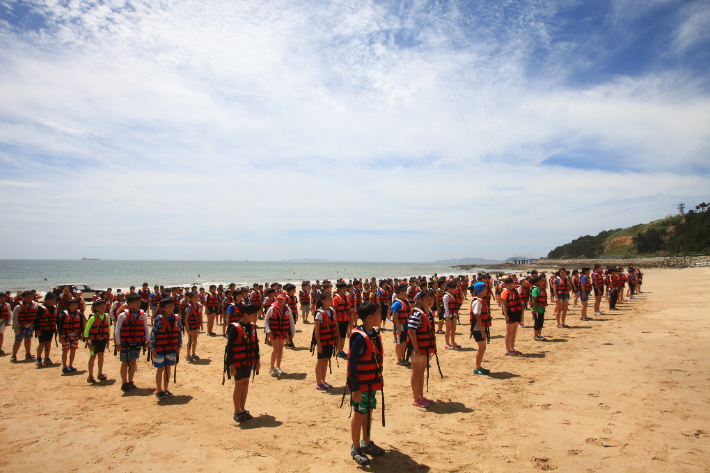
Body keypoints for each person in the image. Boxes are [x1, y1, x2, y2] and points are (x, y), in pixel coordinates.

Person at [346, 302, 386, 465]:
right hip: (360, 386)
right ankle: (356, 448)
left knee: (368, 412)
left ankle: (366, 442)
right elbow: (352, 365)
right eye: (379, 313)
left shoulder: (374, 333)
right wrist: (355, 389)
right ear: (370, 317)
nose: (381, 316)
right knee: (359, 413)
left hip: (372, 384)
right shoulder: (359, 338)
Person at [225, 304, 260, 422]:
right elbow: (229, 348)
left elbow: (256, 346)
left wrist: (258, 361)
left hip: (248, 361)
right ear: (245, 315)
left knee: (246, 383)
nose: (255, 317)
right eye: (253, 315)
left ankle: (242, 408)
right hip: (237, 362)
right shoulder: (234, 328)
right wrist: (231, 366)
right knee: (239, 385)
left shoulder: (252, 327)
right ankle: (236, 411)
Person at [407, 290, 438, 406]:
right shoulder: (417, 314)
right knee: (416, 373)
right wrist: (416, 349)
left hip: (425, 348)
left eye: (431, 299)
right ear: (421, 300)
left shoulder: (428, 313)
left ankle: (421, 396)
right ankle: (416, 399)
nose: (430, 301)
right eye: (427, 299)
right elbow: (412, 332)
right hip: (418, 349)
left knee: (421, 372)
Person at [115, 294, 150, 392]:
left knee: (133, 362)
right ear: (129, 304)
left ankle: (131, 381)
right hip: (125, 343)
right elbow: (117, 330)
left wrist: (148, 341)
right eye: (136, 302)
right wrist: (118, 344)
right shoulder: (123, 315)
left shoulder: (142, 314)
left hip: (137, 342)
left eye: (139, 302)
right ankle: (124, 382)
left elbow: (145, 328)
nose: (138, 304)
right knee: (125, 362)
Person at [150, 298, 183, 400]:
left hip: (172, 347)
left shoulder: (177, 318)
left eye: (172, 305)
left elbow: (179, 333)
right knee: (160, 368)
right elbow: (153, 334)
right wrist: (152, 349)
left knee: (168, 368)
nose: (171, 307)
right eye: (169, 305)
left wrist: (179, 346)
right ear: (163, 308)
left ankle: (166, 389)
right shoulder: (159, 319)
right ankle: (159, 390)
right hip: (160, 348)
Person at [312, 291, 338, 390]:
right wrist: (318, 344)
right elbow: (317, 330)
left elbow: (335, 325)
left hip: (330, 340)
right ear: (323, 301)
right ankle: (318, 383)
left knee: (326, 359)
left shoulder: (332, 311)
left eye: (331, 298)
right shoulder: (319, 313)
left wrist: (337, 339)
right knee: (320, 361)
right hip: (322, 341)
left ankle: (323, 380)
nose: (330, 300)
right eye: (328, 299)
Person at [264, 293, 295, 377]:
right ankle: (271, 367)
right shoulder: (272, 308)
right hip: (273, 332)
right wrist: (268, 330)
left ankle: (278, 367)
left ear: (285, 300)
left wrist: (293, 331)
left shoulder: (287, 309)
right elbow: (266, 320)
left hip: (282, 332)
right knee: (276, 349)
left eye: (282, 299)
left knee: (281, 349)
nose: (280, 300)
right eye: (278, 299)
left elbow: (291, 320)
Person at [84, 299, 111, 382]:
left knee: (101, 356)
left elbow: (109, 329)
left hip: (103, 339)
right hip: (94, 340)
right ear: (95, 308)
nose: (103, 306)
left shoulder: (107, 316)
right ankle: (90, 376)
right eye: (101, 305)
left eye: (104, 305)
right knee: (93, 357)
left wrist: (107, 341)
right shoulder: (93, 317)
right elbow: (86, 330)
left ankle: (100, 373)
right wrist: (88, 343)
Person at [469, 282, 492, 373]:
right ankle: (477, 368)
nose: (486, 291)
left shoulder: (480, 300)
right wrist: (482, 330)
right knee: (481, 348)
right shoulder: (478, 302)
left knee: (482, 348)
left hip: (480, 328)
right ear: (479, 290)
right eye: (485, 289)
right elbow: (477, 316)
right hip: (478, 329)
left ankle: (478, 366)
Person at [57, 298, 85, 373]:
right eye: (73, 304)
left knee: (73, 350)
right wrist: (60, 336)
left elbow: (81, 325)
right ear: (68, 306)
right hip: (66, 335)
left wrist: (82, 334)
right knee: (65, 350)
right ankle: (64, 366)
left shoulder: (79, 314)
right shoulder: (64, 315)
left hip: (75, 335)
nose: (75, 306)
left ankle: (70, 365)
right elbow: (60, 326)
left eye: (76, 304)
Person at [11, 291, 38, 362]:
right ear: (23, 298)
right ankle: (13, 355)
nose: (29, 298)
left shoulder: (35, 305)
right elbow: (15, 318)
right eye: (27, 297)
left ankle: (28, 354)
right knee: (18, 340)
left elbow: (38, 316)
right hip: (21, 326)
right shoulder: (18, 306)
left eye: (31, 296)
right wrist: (15, 328)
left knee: (28, 339)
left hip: (30, 326)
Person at [33, 292, 58, 366]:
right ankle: (38, 358)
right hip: (42, 330)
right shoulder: (42, 309)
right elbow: (36, 320)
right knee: (42, 343)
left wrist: (57, 328)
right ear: (47, 301)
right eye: (53, 300)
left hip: (50, 329)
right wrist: (37, 330)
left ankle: (47, 358)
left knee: (48, 343)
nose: (54, 301)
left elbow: (57, 319)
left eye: (55, 300)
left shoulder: (55, 309)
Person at [501, 277, 522, 356]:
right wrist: (506, 315)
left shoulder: (516, 291)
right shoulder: (505, 292)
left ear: (514, 283)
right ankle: (507, 350)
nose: (510, 285)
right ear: (505, 285)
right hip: (510, 313)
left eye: (511, 284)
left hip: (517, 312)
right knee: (509, 332)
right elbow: (504, 305)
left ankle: (512, 348)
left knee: (514, 332)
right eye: (508, 284)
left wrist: (522, 315)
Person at [390, 284, 411, 366]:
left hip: (406, 325)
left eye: (405, 292)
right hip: (400, 326)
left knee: (404, 343)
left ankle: (403, 358)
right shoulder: (396, 304)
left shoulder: (406, 302)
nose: (405, 293)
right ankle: (399, 359)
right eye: (403, 292)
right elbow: (395, 317)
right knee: (399, 343)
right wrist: (398, 328)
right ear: (398, 294)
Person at [333, 283, 351, 359]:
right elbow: (334, 310)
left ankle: (341, 350)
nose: (345, 290)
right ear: (339, 289)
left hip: (346, 319)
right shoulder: (336, 298)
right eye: (343, 288)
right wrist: (335, 321)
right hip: (339, 320)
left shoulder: (347, 297)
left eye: (345, 288)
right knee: (339, 336)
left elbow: (349, 307)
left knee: (343, 336)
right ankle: (338, 351)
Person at [183, 292, 203, 360]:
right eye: (195, 297)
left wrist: (201, 324)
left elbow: (200, 315)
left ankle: (193, 353)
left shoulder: (199, 305)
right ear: (191, 299)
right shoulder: (188, 307)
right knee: (190, 340)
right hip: (190, 325)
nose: (197, 298)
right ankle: (188, 355)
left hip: (196, 324)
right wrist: (187, 329)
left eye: (197, 297)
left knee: (195, 339)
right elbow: (186, 319)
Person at [442, 281, 459, 350]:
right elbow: (445, 306)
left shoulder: (453, 295)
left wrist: (457, 314)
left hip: (454, 314)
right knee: (448, 329)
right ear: (448, 288)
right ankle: (447, 343)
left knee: (453, 328)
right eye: (452, 288)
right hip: (449, 315)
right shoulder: (446, 296)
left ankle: (453, 342)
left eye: (454, 288)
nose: (453, 290)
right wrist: (447, 315)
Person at [529, 276, 547, 341]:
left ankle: (539, 335)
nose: (541, 282)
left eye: (541, 281)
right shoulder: (535, 289)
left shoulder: (541, 288)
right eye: (540, 281)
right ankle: (535, 336)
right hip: (537, 309)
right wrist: (534, 309)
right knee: (537, 322)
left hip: (541, 308)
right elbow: (533, 300)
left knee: (541, 322)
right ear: (536, 283)